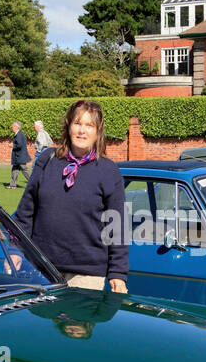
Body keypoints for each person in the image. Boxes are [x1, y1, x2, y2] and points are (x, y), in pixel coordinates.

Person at [13, 100, 128, 293]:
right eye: (77, 123)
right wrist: (15, 250)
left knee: (77, 324)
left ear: (98, 131)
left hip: (87, 275)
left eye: (89, 125)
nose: (82, 131)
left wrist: (118, 273)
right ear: (68, 126)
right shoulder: (47, 160)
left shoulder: (109, 171)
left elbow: (117, 227)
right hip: (41, 269)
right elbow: (25, 212)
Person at [5, 121, 29, 189]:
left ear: (16, 127)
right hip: (17, 156)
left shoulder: (19, 135)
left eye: (13, 126)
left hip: (20, 156)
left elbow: (20, 145)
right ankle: (12, 185)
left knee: (24, 170)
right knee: (15, 170)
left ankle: (33, 183)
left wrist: (12, 146)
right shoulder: (18, 134)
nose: (12, 128)